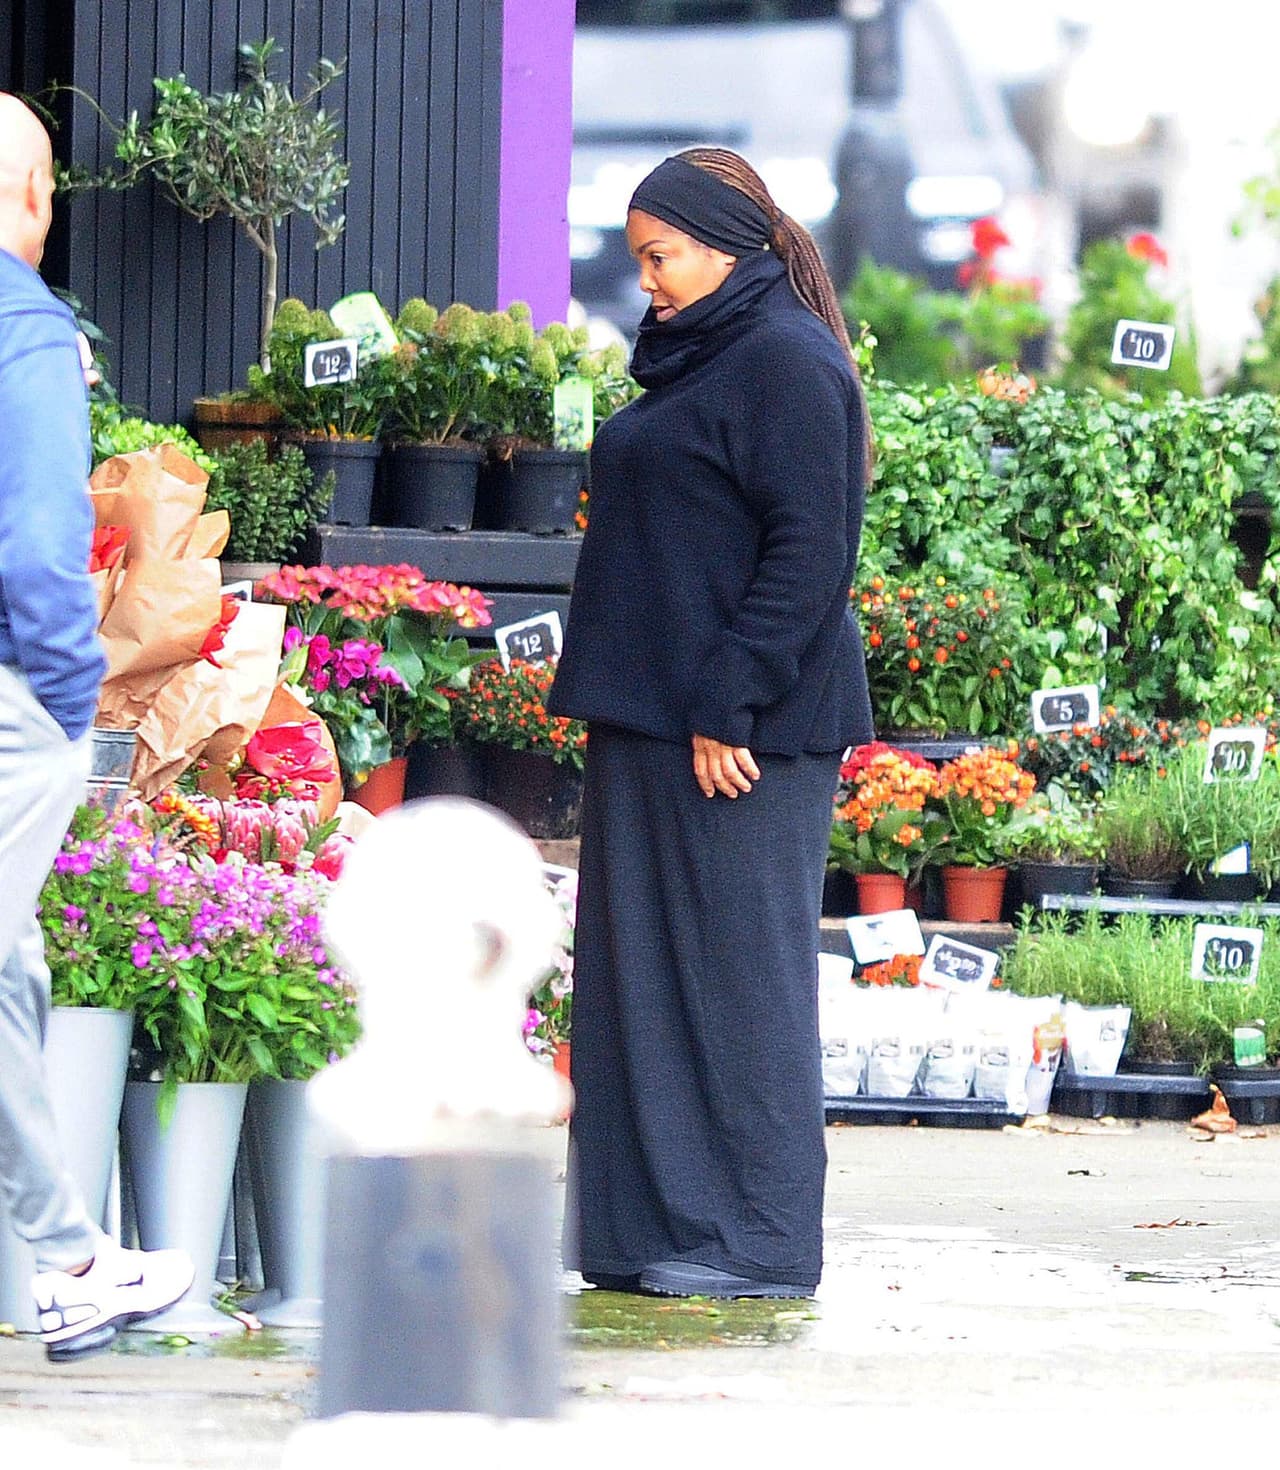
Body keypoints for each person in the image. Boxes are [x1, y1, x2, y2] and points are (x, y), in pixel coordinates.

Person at [548, 148, 873, 1299]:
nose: (648, 282)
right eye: (639, 262)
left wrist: (728, 695)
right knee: (640, 978)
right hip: (654, 717)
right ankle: (646, 1234)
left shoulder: (783, 361)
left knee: (737, 980)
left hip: (734, 730)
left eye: (659, 256)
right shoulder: (704, 360)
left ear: (722, 240)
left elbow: (810, 550)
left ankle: (757, 1242)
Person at [0, 93, 193, 1360]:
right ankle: (70, 1261)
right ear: (32, 197)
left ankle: (69, 1254)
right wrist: (68, 702)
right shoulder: (24, 327)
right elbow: (35, 551)